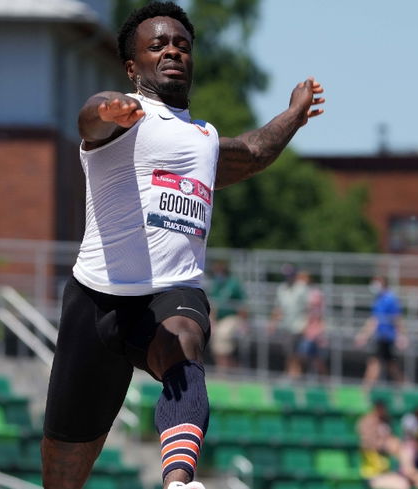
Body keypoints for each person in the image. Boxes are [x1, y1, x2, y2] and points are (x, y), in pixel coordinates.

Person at [41, 2, 325, 489]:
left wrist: (293, 115)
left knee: (184, 343)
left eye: (182, 44)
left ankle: (178, 482)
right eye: (158, 45)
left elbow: (254, 153)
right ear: (134, 67)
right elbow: (90, 121)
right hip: (96, 299)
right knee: (63, 473)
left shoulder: (204, 138)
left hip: (171, 292)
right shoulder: (124, 119)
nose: (173, 50)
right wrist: (107, 105)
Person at [356, 276, 408, 391]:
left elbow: (397, 318)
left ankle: (365, 390)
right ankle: (406, 388)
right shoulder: (379, 299)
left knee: (374, 363)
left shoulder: (390, 299)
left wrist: (401, 335)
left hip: (387, 337)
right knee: (390, 365)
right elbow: (374, 319)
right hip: (381, 336)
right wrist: (364, 335)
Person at [270, 267, 310, 378]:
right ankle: (292, 373)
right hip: (286, 325)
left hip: (300, 325)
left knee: (298, 352)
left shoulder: (302, 288)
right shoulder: (281, 289)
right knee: (289, 352)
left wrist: (307, 324)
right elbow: (278, 308)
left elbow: (309, 307)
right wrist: (272, 323)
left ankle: (296, 373)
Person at [207, 261, 248, 370]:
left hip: (232, 317)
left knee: (223, 336)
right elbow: (214, 305)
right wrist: (212, 320)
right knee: (214, 340)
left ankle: (227, 370)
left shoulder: (234, 284)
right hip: (219, 319)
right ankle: (222, 369)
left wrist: (243, 323)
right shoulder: (216, 284)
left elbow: (242, 304)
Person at [358, 400, 401, 488]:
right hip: (372, 474)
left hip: (385, 473)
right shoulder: (367, 443)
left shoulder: (386, 423)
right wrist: (382, 444)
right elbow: (367, 442)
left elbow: (394, 445)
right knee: (401, 485)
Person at [298, 288, 329, 378]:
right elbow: (306, 323)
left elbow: (323, 324)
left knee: (319, 363)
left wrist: (318, 334)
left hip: (318, 341)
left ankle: (326, 383)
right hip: (309, 339)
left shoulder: (321, 311)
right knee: (304, 359)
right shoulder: (309, 311)